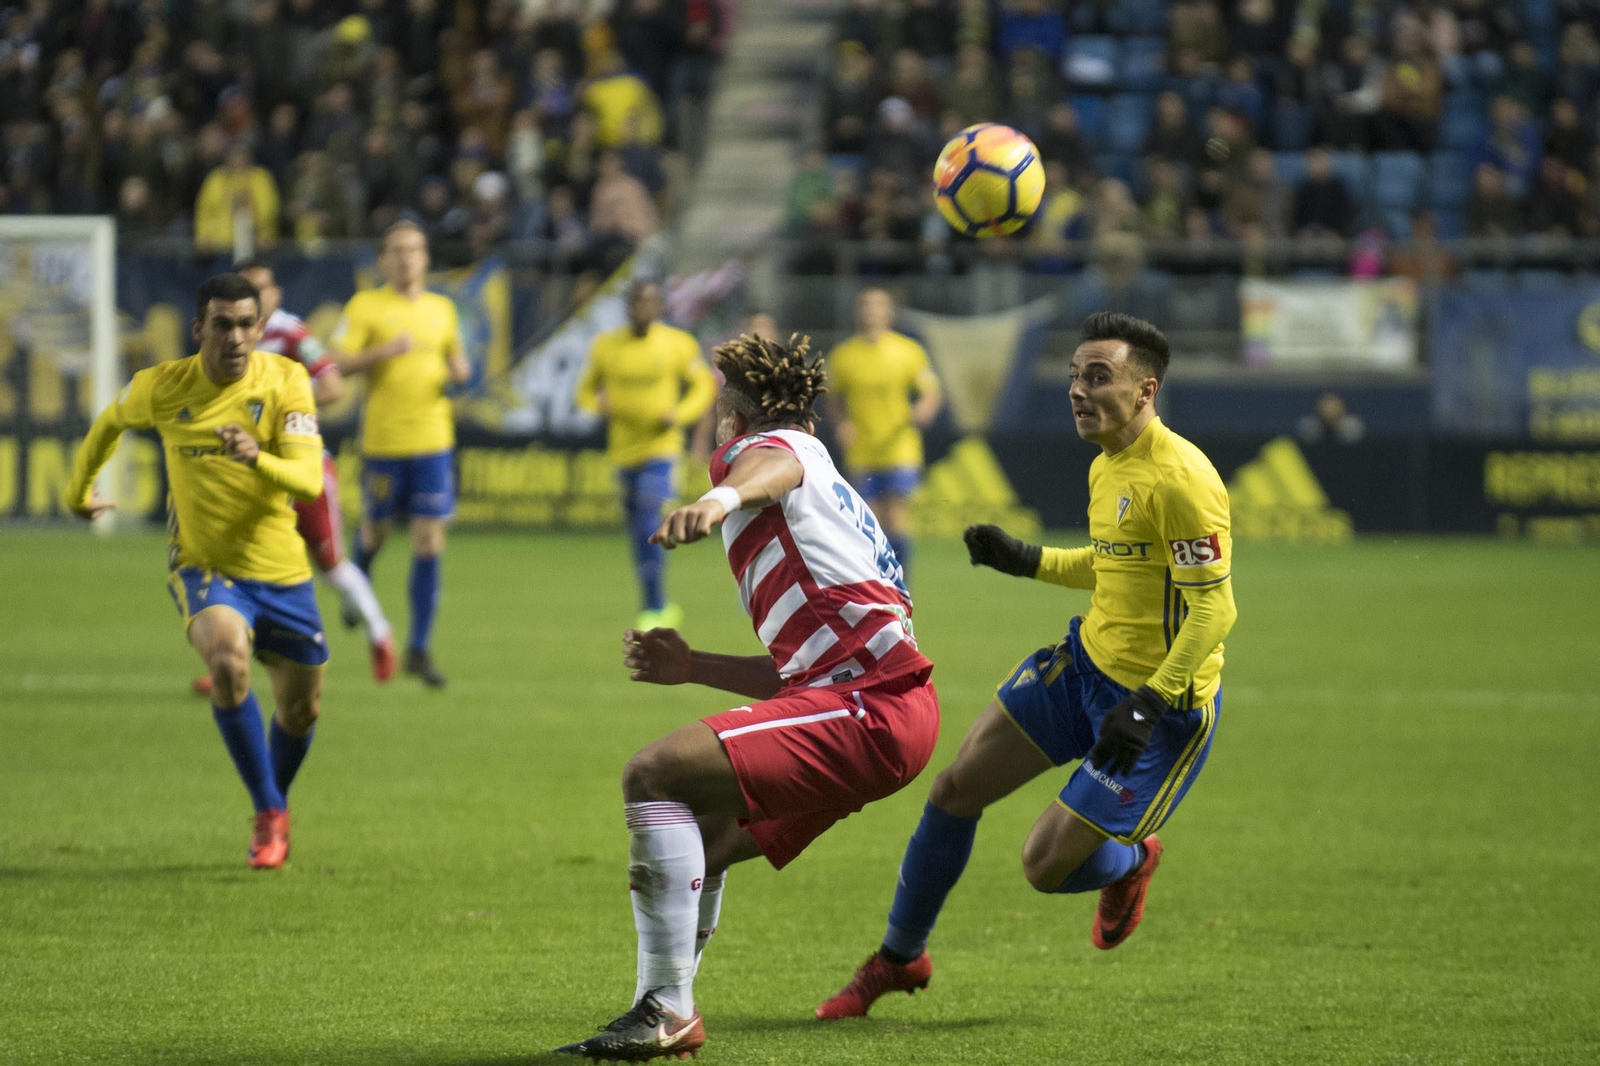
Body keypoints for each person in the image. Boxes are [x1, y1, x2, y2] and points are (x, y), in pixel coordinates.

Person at [817, 312, 1236, 1019]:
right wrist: (1027, 560)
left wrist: (1152, 699)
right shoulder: (1107, 463)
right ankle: (899, 956)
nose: (1078, 390)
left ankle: (1134, 861)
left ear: (1145, 390)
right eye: (1074, 375)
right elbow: (1115, 564)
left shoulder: (1183, 480)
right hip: (1084, 667)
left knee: (1044, 866)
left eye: (1097, 376)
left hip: (1158, 708)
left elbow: (1214, 610)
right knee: (955, 789)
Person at [553, 333, 941, 1062]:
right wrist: (693, 665)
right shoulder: (827, 493)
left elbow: (776, 460)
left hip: (868, 710)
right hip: (878, 708)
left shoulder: (774, 452)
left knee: (653, 774)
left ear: (733, 417)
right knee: (704, 838)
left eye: (719, 408)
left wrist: (719, 496)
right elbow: (805, 669)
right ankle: (666, 1007)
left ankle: (666, 1008)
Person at [63, 273, 331, 870]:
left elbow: (308, 480)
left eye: (246, 325)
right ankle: (268, 811)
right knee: (228, 663)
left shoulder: (287, 381)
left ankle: (274, 802)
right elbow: (109, 423)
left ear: (260, 329)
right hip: (204, 565)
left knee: (301, 711)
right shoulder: (163, 386)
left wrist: (255, 457)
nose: (235, 337)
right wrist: (78, 491)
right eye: (222, 325)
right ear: (198, 329)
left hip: (281, 571)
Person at [190, 258, 396, 695]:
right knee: (234, 567)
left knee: (331, 567)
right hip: (250, 474)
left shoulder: (291, 334)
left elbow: (333, 386)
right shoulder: (225, 339)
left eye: (261, 289)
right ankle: (228, 660)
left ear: (275, 294)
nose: (254, 297)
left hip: (301, 467)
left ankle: (379, 634)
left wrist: (282, 411)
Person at [328, 221, 471, 687]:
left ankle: (419, 648)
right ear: (383, 259)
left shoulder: (442, 309)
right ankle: (356, 591)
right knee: (375, 532)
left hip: (433, 441)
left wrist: (459, 370)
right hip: (384, 443)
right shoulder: (366, 306)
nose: (406, 258)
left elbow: (456, 359)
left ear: (425, 258)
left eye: (414, 249)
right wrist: (384, 351)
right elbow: (337, 363)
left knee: (429, 541)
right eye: (397, 250)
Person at [575, 280, 716, 630]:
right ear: (627, 306)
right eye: (637, 302)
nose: (642, 308)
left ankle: (654, 607)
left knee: (648, 516)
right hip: (623, 451)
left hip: (661, 448)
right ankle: (656, 601)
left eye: (649, 302)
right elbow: (584, 391)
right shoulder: (607, 346)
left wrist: (679, 414)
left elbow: (703, 384)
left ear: (658, 307)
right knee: (638, 530)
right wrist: (598, 404)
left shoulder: (676, 344)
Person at [824, 288, 942, 581]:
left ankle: (900, 583)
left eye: (878, 305)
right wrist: (841, 424)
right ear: (858, 312)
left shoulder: (908, 351)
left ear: (889, 313)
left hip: (900, 446)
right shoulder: (843, 355)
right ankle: (875, 582)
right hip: (862, 448)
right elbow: (833, 398)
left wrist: (924, 408)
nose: (871, 311)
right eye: (866, 305)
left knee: (896, 518)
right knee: (869, 521)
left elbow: (930, 391)